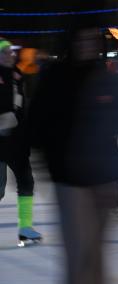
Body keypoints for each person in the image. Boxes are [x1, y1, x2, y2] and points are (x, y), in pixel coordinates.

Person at [29, 28, 118, 284]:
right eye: (83, 39)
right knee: (79, 253)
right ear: (71, 42)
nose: (88, 45)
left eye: (93, 39)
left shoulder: (105, 75)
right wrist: (51, 156)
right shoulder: (55, 78)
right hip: (70, 179)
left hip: (105, 176)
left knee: (96, 252)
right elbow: (35, 124)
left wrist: (104, 125)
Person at [0, 38, 41, 244]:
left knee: (26, 182)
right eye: (5, 52)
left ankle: (25, 227)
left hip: (17, 142)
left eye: (11, 52)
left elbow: (22, 107)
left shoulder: (17, 75)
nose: (10, 55)